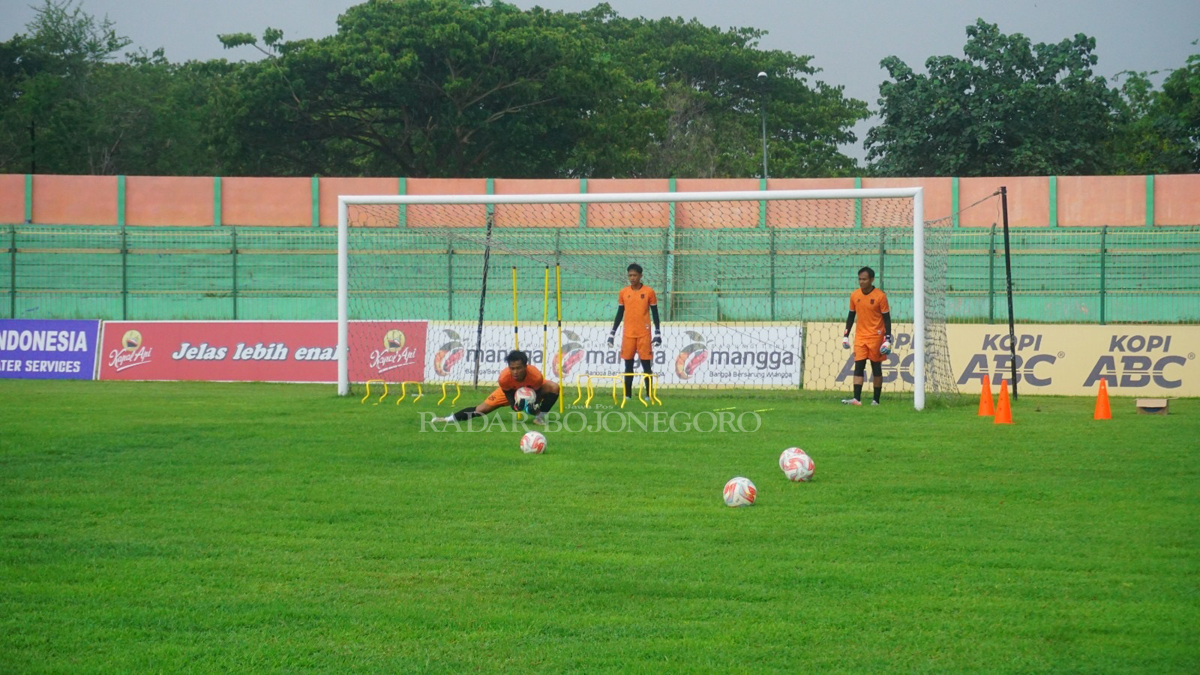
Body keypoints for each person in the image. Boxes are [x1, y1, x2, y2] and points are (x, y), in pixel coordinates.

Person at [436, 350, 559, 425]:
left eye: (519, 368)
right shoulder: (504, 378)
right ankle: (447, 419)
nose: (515, 371)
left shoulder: (536, 376)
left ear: (525, 366)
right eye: (512, 368)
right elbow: (508, 395)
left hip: (531, 390)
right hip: (511, 391)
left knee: (554, 387)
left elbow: (537, 394)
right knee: (481, 410)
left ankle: (539, 418)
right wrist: (515, 405)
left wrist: (533, 406)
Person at [607, 263, 662, 401]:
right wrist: (612, 333)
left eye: (635, 275)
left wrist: (658, 333)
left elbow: (655, 314)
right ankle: (628, 396)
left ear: (641, 276)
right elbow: (619, 314)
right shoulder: (624, 292)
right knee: (628, 365)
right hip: (628, 334)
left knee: (646, 365)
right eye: (630, 275)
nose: (632, 278)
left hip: (644, 333)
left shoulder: (649, 292)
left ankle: (649, 395)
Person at [841, 266, 892, 406]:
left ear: (871, 279)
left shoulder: (880, 296)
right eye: (859, 279)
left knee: (876, 367)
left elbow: (887, 319)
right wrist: (845, 335)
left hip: (876, 336)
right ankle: (857, 399)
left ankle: (876, 400)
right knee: (858, 366)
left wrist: (888, 339)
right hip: (860, 336)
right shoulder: (854, 295)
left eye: (864, 279)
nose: (861, 282)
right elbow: (851, 316)